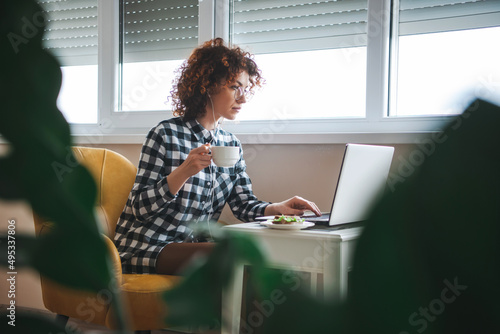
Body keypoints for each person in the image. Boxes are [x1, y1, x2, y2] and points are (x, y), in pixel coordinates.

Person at [114, 38, 321, 275]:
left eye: (245, 89)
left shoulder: (231, 144)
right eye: (235, 87)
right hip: (147, 248)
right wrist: (183, 172)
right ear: (208, 85)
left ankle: (246, 315)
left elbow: (243, 205)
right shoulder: (165, 134)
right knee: (233, 255)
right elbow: (140, 207)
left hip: (193, 248)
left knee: (259, 253)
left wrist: (277, 208)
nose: (242, 98)